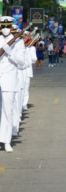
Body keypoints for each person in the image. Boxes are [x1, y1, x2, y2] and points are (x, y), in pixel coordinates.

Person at [0, 16, 25, 152]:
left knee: (7, 111)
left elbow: (21, 62)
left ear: (11, 27)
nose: (5, 29)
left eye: (7, 26)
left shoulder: (19, 42)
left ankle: (6, 141)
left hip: (9, 80)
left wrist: (10, 52)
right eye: (2, 27)